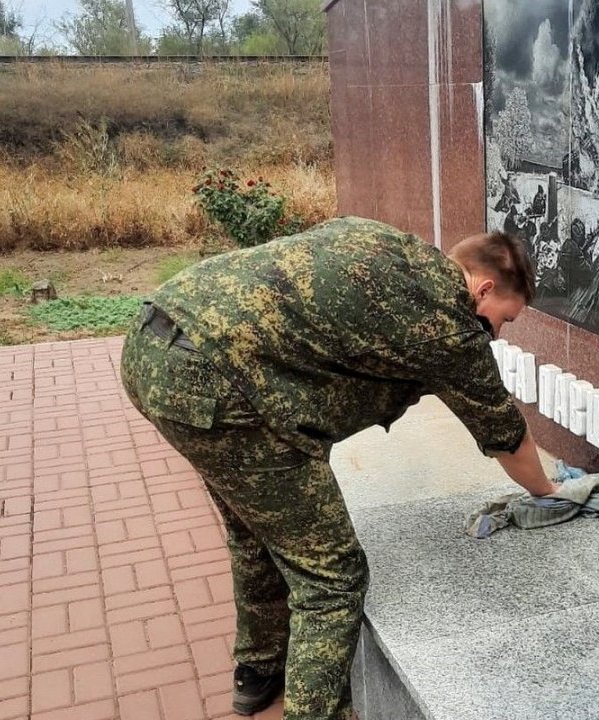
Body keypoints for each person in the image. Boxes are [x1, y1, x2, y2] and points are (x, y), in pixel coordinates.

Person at [119, 217, 560, 720]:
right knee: (332, 579)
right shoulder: (447, 323)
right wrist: (550, 490)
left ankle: (259, 670)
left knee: (257, 528)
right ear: (482, 289)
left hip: (151, 345)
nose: (495, 336)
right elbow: (503, 432)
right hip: (221, 385)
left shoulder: (389, 244)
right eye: (502, 321)